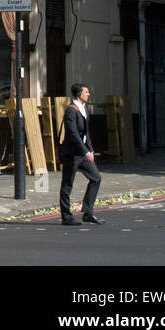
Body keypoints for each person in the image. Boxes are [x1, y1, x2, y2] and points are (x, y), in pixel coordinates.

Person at [59, 82, 103, 225]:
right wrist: (85, 151)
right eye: (86, 92)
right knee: (67, 184)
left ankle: (88, 212)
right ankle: (66, 217)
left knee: (96, 178)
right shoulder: (71, 111)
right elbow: (73, 134)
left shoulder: (84, 109)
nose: (88, 94)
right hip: (71, 153)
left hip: (83, 153)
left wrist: (90, 149)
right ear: (79, 94)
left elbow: (85, 133)